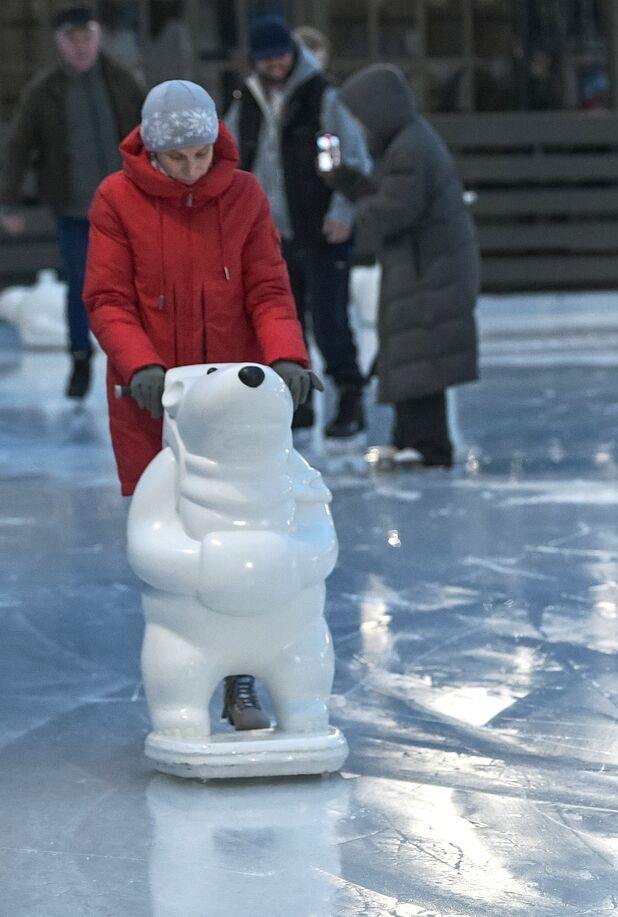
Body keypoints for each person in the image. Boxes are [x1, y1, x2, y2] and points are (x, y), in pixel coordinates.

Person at [83, 79, 320, 730]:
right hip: (152, 397)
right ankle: (187, 671)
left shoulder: (242, 195)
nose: (192, 167)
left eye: (201, 152)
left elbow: (268, 289)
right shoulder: (116, 200)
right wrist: (142, 366)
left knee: (244, 537)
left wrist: (287, 357)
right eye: (177, 157)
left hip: (229, 405)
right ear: (152, 151)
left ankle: (240, 681)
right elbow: (106, 299)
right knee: (178, 545)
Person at [322, 64, 479, 469]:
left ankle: (429, 445)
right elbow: (388, 194)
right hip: (422, 263)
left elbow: (396, 209)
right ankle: (409, 437)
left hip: (430, 266)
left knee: (420, 354)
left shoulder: (410, 147)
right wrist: (348, 181)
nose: (357, 125)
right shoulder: (405, 142)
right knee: (408, 351)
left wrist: (359, 212)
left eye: (360, 116)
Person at [226, 16, 372, 438]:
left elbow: (353, 161)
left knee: (329, 320)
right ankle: (297, 402)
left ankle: (349, 396)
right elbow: (231, 159)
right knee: (283, 324)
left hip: (322, 229)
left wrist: (343, 213)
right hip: (271, 237)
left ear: (292, 53)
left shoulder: (323, 97)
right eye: (266, 59)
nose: (274, 65)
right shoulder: (247, 100)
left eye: (281, 56)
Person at [0, 6, 144, 399]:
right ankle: (80, 358)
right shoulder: (43, 90)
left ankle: (138, 361)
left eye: (87, 38)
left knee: (136, 283)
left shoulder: (121, 80)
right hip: (73, 208)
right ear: (60, 43)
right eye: (72, 40)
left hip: (126, 205)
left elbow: (147, 133)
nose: (81, 47)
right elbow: (17, 148)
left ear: (97, 38)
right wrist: (8, 202)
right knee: (82, 285)